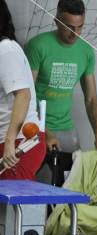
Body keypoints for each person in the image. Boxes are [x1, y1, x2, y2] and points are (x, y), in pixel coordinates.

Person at [25, 0, 97, 185]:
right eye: (69, 27)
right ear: (56, 20)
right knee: (33, 189)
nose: (75, 34)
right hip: (35, 128)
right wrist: (44, 132)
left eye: (80, 27)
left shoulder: (85, 51)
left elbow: (91, 98)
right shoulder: (37, 46)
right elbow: (24, 97)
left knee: (71, 186)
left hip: (66, 127)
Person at [0, 0, 46, 180]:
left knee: (11, 205)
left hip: (19, 142)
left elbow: (23, 96)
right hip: (8, 140)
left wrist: (11, 143)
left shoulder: (6, 49)